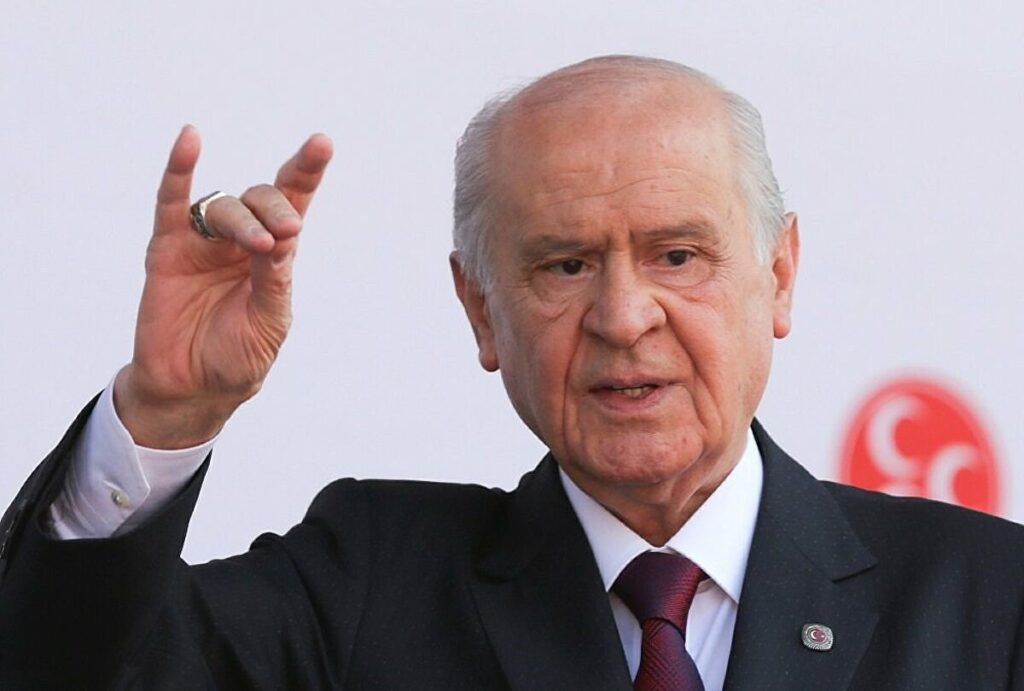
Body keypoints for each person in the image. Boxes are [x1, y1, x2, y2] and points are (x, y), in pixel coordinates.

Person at [1, 55, 1022, 690]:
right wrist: (168, 412)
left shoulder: (986, 600)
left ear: (780, 275)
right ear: (481, 308)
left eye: (676, 255)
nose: (623, 316)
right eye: (564, 265)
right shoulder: (367, 582)